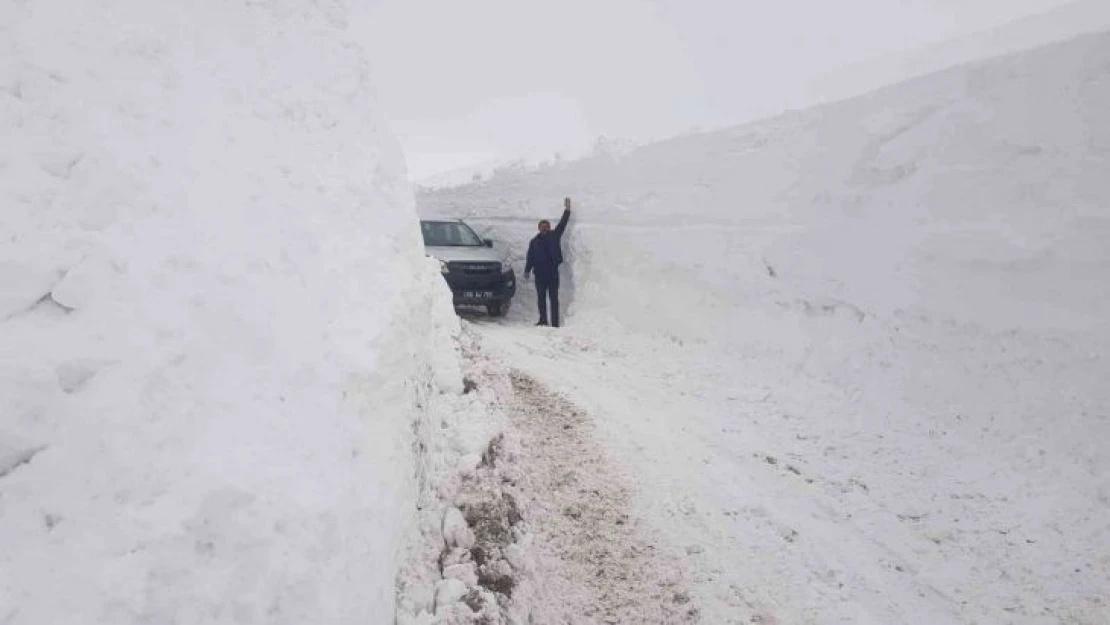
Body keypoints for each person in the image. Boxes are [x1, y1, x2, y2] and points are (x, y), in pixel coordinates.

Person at [524, 197, 572, 327]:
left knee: (553, 299)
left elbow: (563, 223)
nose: (544, 229)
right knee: (541, 299)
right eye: (542, 227)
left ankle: (555, 323)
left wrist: (567, 210)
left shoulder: (555, 235)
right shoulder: (534, 242)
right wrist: (527, 270)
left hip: (552, 274)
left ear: (549, 228)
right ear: (538, 228)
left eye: (546, 227)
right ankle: (543, 320)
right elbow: (530, 257)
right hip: (539, 275)